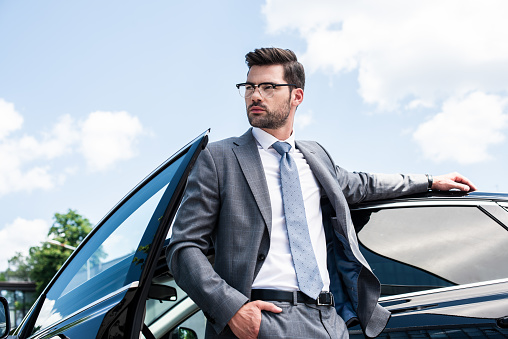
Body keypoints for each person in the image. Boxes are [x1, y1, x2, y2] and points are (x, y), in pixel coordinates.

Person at [166, 47, 476, 339]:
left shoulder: (315, 157)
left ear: (296, 96)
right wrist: (232, 309)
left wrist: (430, 181)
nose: (255, 95)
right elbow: (184, 245)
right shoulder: (220, 159)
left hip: (328, 321)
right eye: (249, 87)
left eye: (268, 87)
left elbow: (364, 184)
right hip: (263, 318)